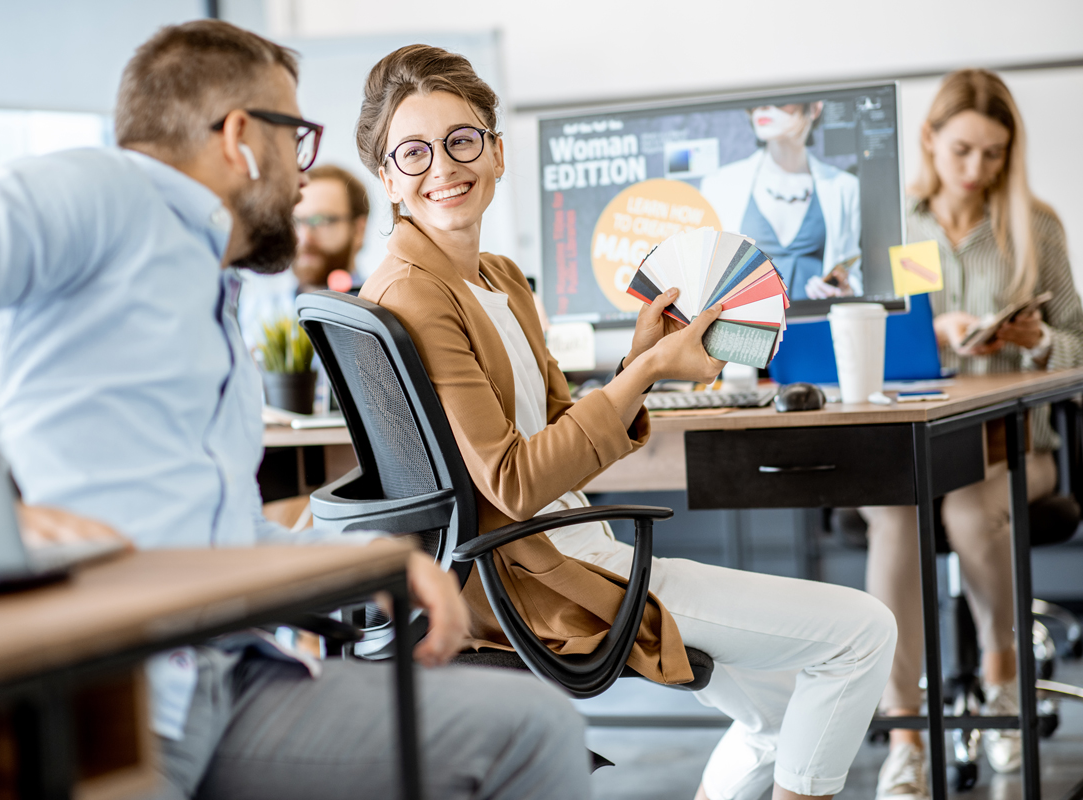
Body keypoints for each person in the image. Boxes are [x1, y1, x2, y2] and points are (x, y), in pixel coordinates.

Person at [0, 21, 591, 800]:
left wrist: (378, 564)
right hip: (122, 691)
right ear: (243, 138)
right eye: (300, 140)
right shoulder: (102, 189)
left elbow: (225, 536)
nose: (302, 178)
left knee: (533, 730)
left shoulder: (207, 288)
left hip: (230, 670)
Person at [357, 44, 897, 800]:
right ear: (386, 177)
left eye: (462, 140)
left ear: (497, 151)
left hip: (563, 541)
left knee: (777, 716)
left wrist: (633, 363)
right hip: (542, 573)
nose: (442, 167)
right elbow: (514, 483)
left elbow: (550, 431)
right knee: (863, 631)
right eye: (411, 152)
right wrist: (646, 375)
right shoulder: (414, 294)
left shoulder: (497, 277)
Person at [861, 68, 1083, 800]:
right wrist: (939, 332)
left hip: (1014, 447)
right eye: (962, 150)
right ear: (930, 140)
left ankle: (1002, 676)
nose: (976, 169)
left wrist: (1037, 337)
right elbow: (856, 336)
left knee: (963, 505)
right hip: (913, 443)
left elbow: (1079, 342)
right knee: (897, 509)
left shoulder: (1034, 225)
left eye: (992, 154)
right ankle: (905, 735)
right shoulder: (893, 226)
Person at [700, 103, 861, 300]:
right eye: (755, 99)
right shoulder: (719, 186)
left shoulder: (844, 187)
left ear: (814, 107)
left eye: (781, 98)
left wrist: (846, 291)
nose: (763, 106)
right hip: (751, 329)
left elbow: (853, 272)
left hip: (819, 326)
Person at [238, 163, 370, 352]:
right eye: (296, 221)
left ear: (358, 230)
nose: (304, 237)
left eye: (322, 220)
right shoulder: (261, 306)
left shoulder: (378, 311)